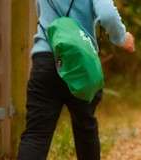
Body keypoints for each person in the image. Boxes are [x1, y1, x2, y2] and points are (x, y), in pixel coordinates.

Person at [17, 0, 134, 159]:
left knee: (36, 134)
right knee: (85, 129)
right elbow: (107, 14)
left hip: (46, 57)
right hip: (81, 63)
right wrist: (121, 38)